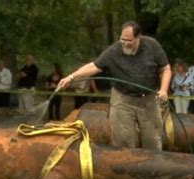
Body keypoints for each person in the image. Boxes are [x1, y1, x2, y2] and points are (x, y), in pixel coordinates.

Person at [58, 21, 171, 151]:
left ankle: (152, 167)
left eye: (129, 40)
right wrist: (71, 77)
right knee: (123, 140)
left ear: (138, 37)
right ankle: (126, 167)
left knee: (152, 139)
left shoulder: (152, 46)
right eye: (122, 39)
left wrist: (163, 90)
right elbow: (93, 66)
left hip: (149, 99)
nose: (125, 43)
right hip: (123, 99)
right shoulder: (114, 51)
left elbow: (166, 69)